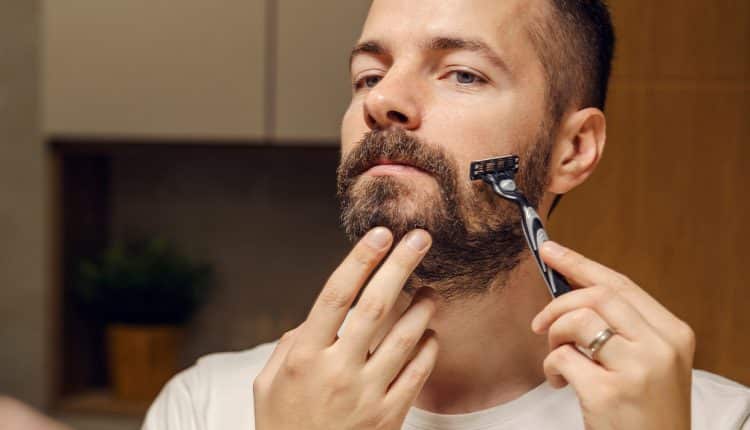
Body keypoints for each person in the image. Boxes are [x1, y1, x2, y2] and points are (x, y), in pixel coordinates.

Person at [143, 0, 750, 428]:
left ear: (573, 150)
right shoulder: (208, 408)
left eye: (463, 73)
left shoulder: (717, 421)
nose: (383, 100)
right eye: (368, 75)